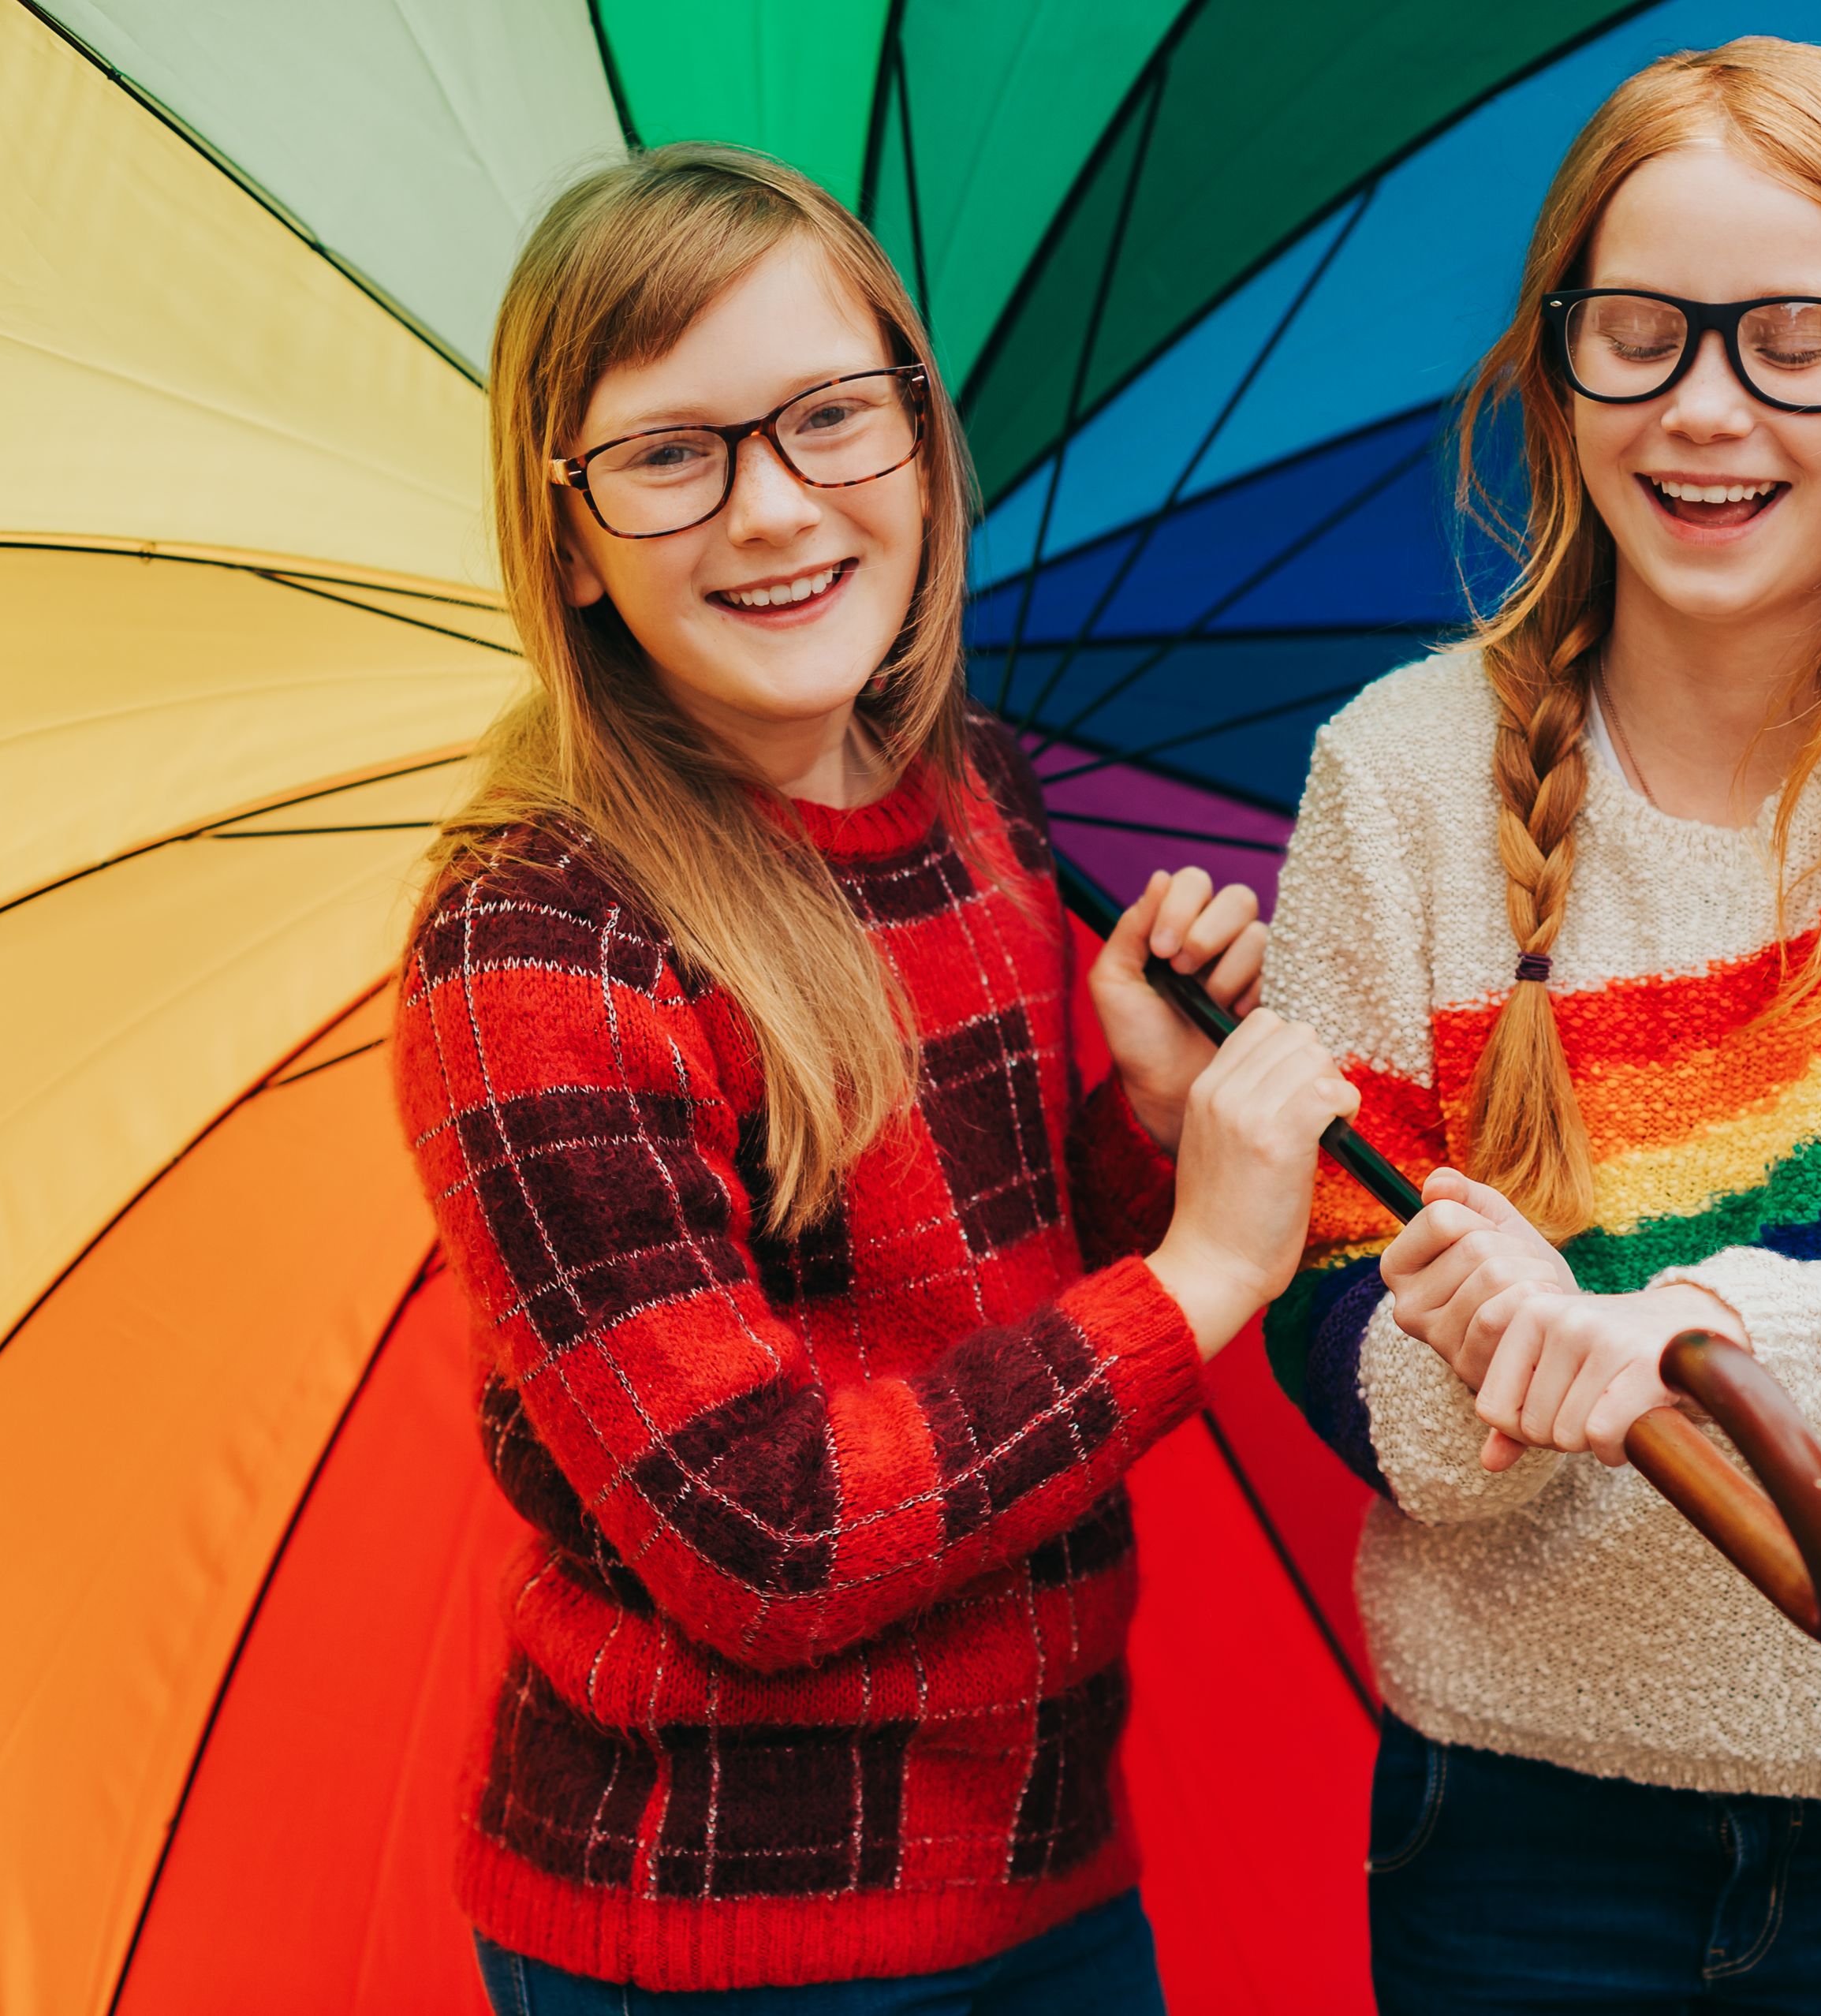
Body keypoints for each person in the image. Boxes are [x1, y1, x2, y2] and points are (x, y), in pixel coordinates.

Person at [1259, 39, 1821, 2014]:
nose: (1702, 407)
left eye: (1794, 343)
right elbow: (1327, 1307)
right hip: (1508, 1833)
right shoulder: (1394, 779)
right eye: (1640, 335)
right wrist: (1491, 1372)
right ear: (1554, 365)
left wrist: (1687, 1337)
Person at [393, 145, 1356, 2014]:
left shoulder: (978, 795)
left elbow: (975, 1321)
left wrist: (1148, 1134)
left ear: (920, 439)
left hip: (1047, 1872)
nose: (772, 510)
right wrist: (1203, 1279)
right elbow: (764, 1536)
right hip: (725, 1934)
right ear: (567, 536)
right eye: (671, 455)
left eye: (831, 416)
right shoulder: (539, 951)